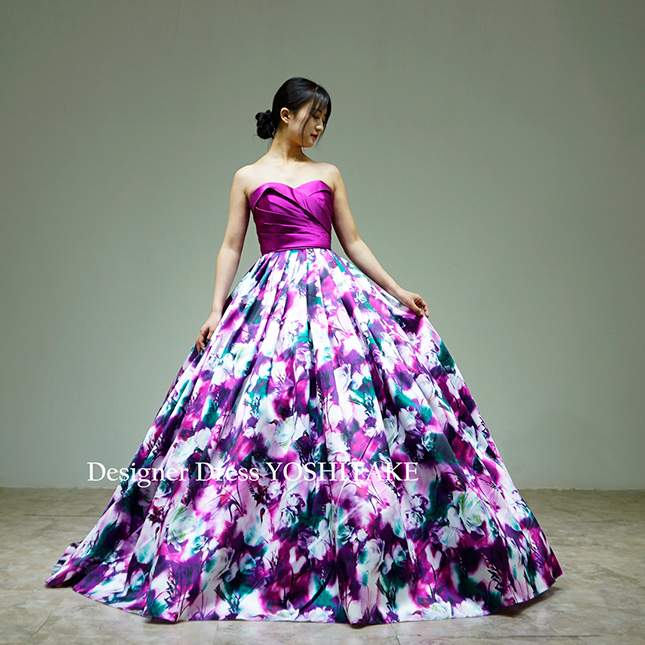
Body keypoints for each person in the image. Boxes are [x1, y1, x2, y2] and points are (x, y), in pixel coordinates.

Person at [45, 77, 563, 625]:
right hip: (269, 299)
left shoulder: (329, 173)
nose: (319, 128)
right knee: (255, 417)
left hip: (332, 294)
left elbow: (353, 241)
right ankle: (253, 547)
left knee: (352, 410)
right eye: (313, 117)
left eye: (325, 121)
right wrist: (215, 309)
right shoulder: (247, 176)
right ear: (286, 114)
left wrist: (397, 290)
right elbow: (231, 245)